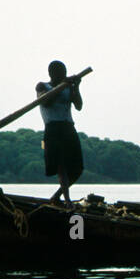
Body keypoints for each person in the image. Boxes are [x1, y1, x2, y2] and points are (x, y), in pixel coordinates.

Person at [36, 60, 84, 204]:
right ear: (52, 74)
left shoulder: (68, 87)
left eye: (65, 73)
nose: (63, 76)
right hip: (52, 129)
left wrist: (76, 86)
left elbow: (79, 106)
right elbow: (46, 102)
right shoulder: (42, 86)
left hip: (68, 128)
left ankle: (56, 197)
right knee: (60, 166)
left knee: (77, 169)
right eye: (60, 74)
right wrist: (61, 85)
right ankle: (67, 200)